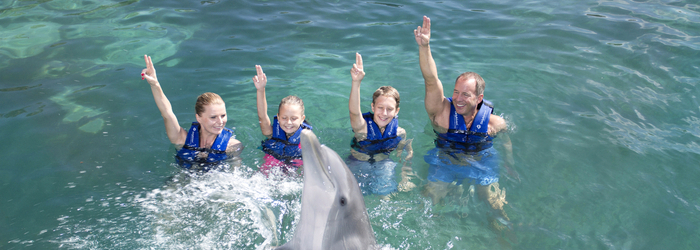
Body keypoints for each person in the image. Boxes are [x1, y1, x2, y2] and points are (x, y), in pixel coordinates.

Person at [414, 16, 516, 228]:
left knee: (494, 206)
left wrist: (510, 163)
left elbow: (506, 140)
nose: (458, 99)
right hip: (445, 160)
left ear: (479, 99)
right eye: (456, 92)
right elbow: (431, 80)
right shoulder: (441, 113)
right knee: (427, 201)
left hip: (482, 162)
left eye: (466, 95)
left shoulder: (494, 124)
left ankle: (506, 238)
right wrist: (425, 47)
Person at [140, 54, 243, 171]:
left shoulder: (232, 146)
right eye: (213, 117)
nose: (220, 122)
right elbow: (167, 113)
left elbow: (235, 175)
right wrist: (155, 84)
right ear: (198, 118)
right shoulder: (182, 139)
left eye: (223, 115)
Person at [348, 52, 415, 198]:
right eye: (380, 108)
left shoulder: (400, 133)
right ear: (373, 107)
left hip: (383, 163)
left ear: (397, 111)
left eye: (390, 109)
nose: (384, 113)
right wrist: (356, 82)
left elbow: (405, 155)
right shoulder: (363, 128)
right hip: (359, 162)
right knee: (353, 196)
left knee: (386, 194)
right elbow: (354, 112)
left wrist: (405, 177)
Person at [253, 65, 312, 176]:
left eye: (294, 118)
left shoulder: (306, 140)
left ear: (302, 119)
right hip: (268, 172)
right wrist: (260, 89)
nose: (288, 122)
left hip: (293, 173)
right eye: (284, 118)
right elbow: (262, 116)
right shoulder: (271, 134)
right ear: (278, 117)